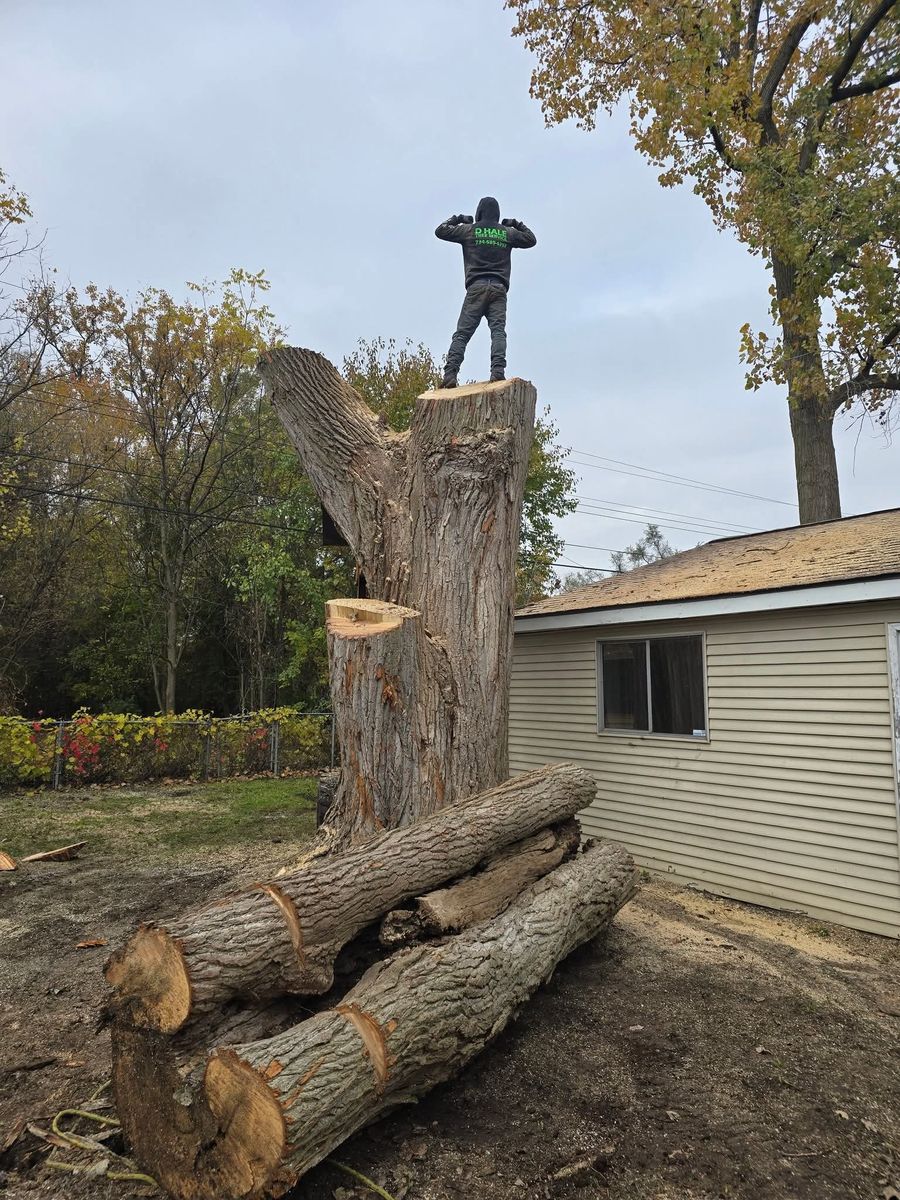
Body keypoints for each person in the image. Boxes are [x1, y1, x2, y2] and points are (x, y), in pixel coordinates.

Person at [435, 197, 536, 388]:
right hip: (499, 289)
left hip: (476, 288)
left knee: (462, 335)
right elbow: (531, 239)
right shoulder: (507, 233)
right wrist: (515, 223)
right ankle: (497, 372)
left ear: (479, 212)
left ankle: (450, 375)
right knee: (498, 332)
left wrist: (458, 218)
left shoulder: (469, 230)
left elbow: (440, 230)